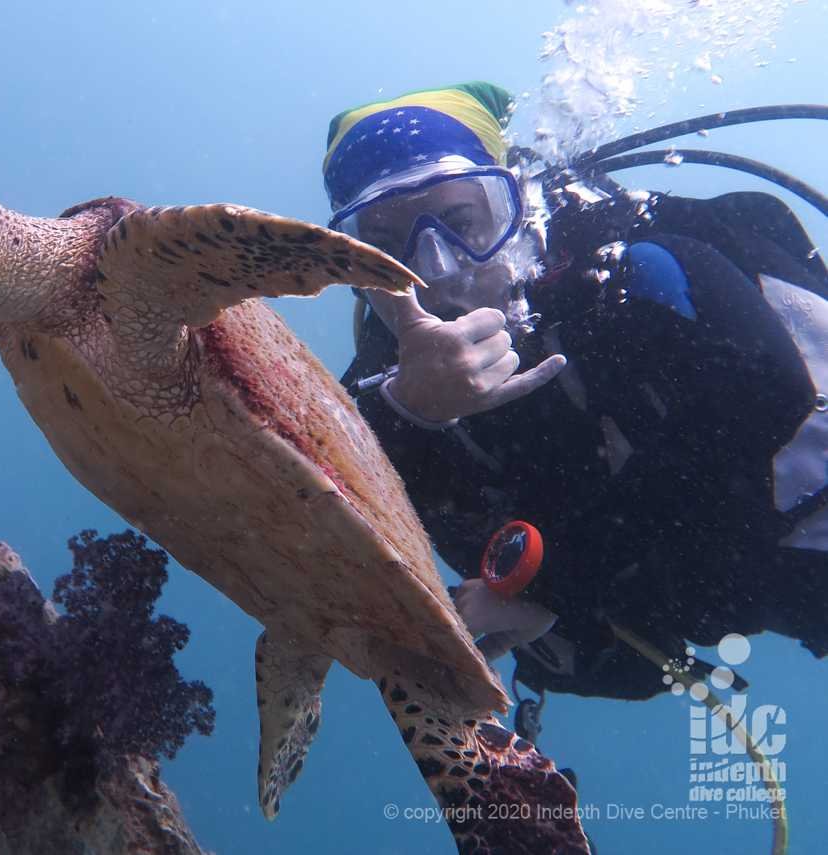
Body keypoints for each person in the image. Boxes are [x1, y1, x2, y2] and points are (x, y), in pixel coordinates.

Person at [324, 82, 828, 702]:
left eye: (460, 223)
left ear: (514, 204)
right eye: (381, 247)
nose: (437, 269)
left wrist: (551, 583)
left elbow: (771, 402)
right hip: (732, 592)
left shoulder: (634, 271)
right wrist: (410, 413)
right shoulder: (386, 385)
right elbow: (322, 492)